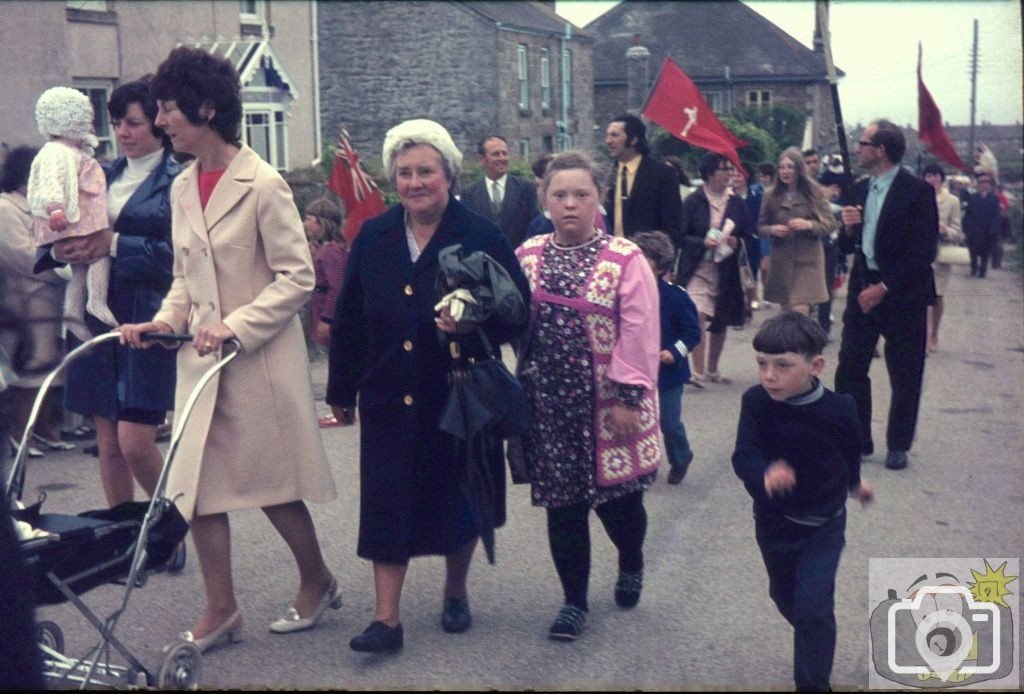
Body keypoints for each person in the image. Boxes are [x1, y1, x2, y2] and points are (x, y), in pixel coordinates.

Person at [118, 46, 338, 652]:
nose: (161, 121)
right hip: (201, 366)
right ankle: (222, 609)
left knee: (272, 488)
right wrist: (164, 323)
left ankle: (317, 579)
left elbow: (297, 279)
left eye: (168, 110)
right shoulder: (184, 186)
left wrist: (236, 325)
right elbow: (187, 278)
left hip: (257, 362)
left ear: (206, 109)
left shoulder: (264, 184)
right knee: (196, 489)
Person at [327, 119, 529, 654]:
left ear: (449, 176)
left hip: (458, 391)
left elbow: (517, 312)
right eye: (404, 173)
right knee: (386, 499)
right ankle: (385, 620)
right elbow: (350, 317)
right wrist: (341, 391)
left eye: (426, 172)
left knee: (457, 494)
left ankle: (456, 590)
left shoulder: (481, 235)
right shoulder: (374, 234)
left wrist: (474, 325)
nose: (414, 182)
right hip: (388, 390)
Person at [514, 151, 660, 641]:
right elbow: (510, 314)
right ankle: (574, 602)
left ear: (598, 198)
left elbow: (640, 329)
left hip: (608, 407)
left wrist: (625, 398)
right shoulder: (528, 254)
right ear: (545, 200)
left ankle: (631, 558)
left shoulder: (626, 259)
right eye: (560, 195)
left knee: (619, 507)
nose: (570, 204)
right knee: (564, 508)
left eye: (581, 194)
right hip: (548, 408)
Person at [37, 78, 183, 510]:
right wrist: (63, 250)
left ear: (158, 124)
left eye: (134, 123)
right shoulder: (100, 170)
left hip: (148, 314)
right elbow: (59, 233)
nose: (122, 132)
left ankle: (168, 524)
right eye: (117, 122)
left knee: (136, 440)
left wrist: (114, 245)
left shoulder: (179, 179)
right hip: (94, 315)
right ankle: (123, 534)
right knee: (108, 443)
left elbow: (182, 257)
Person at [732, 311, 873, 692]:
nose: (769, 375)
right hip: (775, 522)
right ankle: (814, 636)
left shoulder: (839, 407)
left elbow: (850, 448)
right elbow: (744, 454)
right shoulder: (756, 402)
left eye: (783, 366)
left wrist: (856, 483)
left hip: (824, 524)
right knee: (784, 596)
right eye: (761, 364)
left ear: (816, 366)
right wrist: (763, 473)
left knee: (813, 608)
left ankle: (813, 680)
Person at [835, 120, 938, 471]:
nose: (857, 149)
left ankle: (898, 443)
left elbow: (923, 251)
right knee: (849, 366)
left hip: (902, 292)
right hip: (863, 285)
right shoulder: (860, 189)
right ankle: (858, 439)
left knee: (905, 372)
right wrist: (848, 228)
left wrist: (885, 288)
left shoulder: (917, 192)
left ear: (880, 150)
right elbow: (850, 246)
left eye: (863, 143)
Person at [28, 86, 117, 340]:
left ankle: (73, 314)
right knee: (100, 255)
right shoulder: (56, 153)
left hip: (75, 220)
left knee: (79, 270)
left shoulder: (68, 150)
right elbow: (50, 183)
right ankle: (96, 301)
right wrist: (55, 208)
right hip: (74, 221)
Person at [0, 146, 69, 460]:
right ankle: (18, 433)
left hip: (51, 299)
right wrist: (62, 266)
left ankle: (43, 429)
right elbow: (22, 256)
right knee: (30, 371)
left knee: (54, 368)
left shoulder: (40, 207)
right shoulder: (5, 208)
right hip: (25, 301)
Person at [673, 152, 752, 386]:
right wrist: (702, 242)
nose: (729, 174)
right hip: (697, 266)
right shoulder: (694, 200)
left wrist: (736, 241)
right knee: (697, 312)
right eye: (724, 169)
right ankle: (697, 371)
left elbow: (748, 232)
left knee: (720, 318)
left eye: (730, 169)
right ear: (710, 173)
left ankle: (712, 368)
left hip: (725, 268)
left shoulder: (736, 202)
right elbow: (681, 234)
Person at [632, 231, 701, 485]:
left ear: (661, 266)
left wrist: (674, 351)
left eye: (644, 258)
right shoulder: (625, 294)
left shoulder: (676, 296)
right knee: (639, 423)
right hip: (637, 370)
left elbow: (693, 333)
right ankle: (645, 465)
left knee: (669, 423)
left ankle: (681, 456)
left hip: (669, 374)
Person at [758, 147, 837, 315]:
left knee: (800, 311)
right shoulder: (770, 195)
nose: (785, 171)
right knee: (787, 313)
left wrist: (808, 225)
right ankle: (800, 341)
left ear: (799, 169)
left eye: (790, 166)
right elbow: (760, 227)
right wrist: (773, 230)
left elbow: (830, 224)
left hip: (807, 262)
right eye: (781, 167)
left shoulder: (815, 193)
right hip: (782, 261)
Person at [604, 114, 682, 239]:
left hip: (648, 254)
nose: (608, 141)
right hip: (613, 253)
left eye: (614, 135)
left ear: (633, 139)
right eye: (607, 135)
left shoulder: (662, 174)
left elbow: (672, 225)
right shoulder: (609, 174)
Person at [460, 135, 537, 249]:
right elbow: (467, 230)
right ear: (482, 159)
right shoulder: (468, 193)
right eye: (496, 154)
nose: (502, 158)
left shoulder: (527, 188)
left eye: (504, 153)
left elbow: (534, 226)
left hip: (519, 258)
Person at [922, 163, 963, 353]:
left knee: (937, 296)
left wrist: (945, 230)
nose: (932, 179)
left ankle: (934, 334)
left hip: (941, 254)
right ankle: (922, 334)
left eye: (935, 176)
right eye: (928, 176)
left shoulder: (952, 201)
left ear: (942, 179)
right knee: (920, 296)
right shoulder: (918, 197)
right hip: (920, 253)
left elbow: (959, 233)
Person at [962, 171, 1001, 279]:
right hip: (974, 229)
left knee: (985, 252)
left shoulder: (994, 199)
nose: (984, 185)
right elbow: (968, 214)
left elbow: (996, 215)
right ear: (978, 184)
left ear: (990, 185)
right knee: (972, 251)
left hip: (987, 230)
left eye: (987, 182)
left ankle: (982, 271)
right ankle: (974, 267)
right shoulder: (972, 198)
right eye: (982, 182)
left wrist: (994, 229)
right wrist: (965, 228)